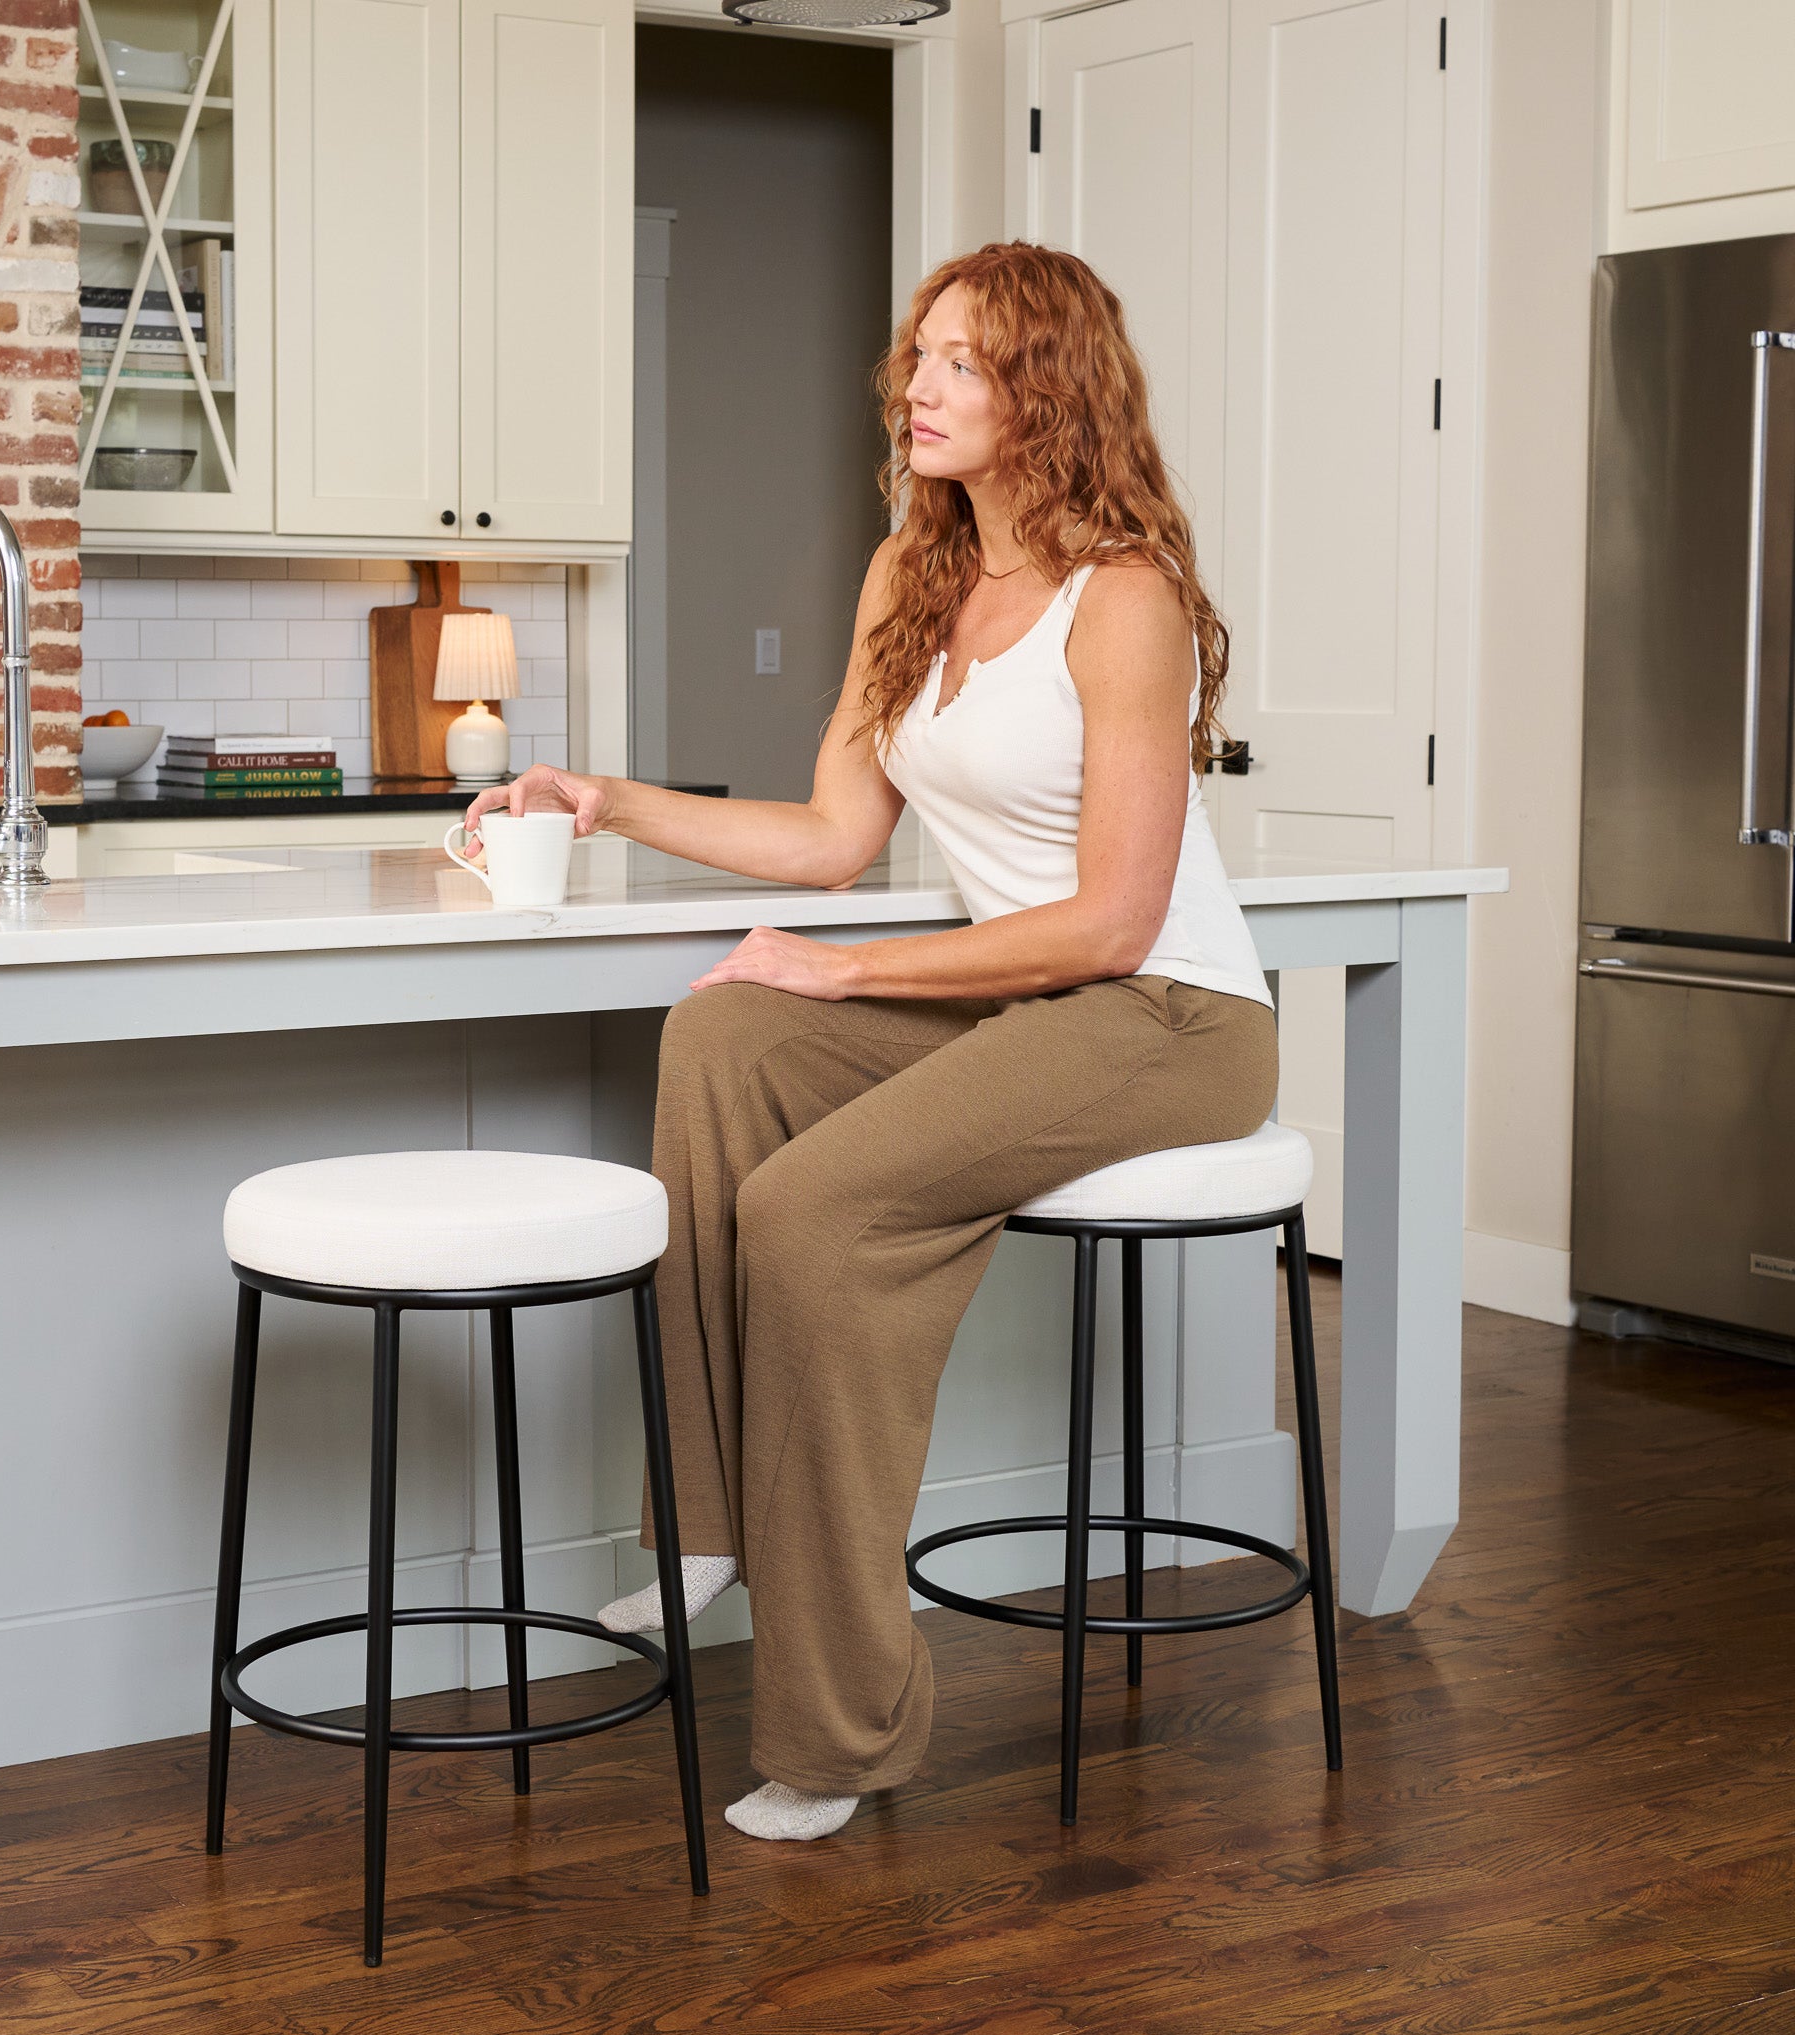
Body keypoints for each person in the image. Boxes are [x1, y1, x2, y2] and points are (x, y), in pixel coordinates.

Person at [457, 241, 1277, 1842]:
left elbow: (1116, 923)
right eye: (921, 356)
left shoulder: (1126, 602)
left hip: (1170, 1020)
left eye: (964, 362)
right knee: (727, 1037)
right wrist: (603, 798)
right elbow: (835, 838)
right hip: (1026, 1000)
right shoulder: (911, 581)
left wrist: (858, 978)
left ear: (1050, 389)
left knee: (813, 1206)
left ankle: (839, 1733)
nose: (920, 385)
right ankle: (703, 1525)